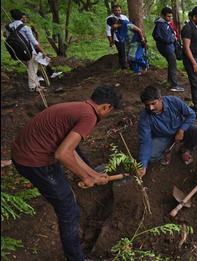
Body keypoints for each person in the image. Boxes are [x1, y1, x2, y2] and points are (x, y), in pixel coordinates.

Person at [11, 85, 122, 260]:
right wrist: (85, 176)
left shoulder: (79, 107)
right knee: (68, 209)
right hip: (34, 161)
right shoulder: (89, 116)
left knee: (68, 200)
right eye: (110, 111)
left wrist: (92, 174)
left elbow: (71, 150)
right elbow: (62, 154)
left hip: (28, 154)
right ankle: (76, 258)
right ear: (106, 107)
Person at [136, 86, 197, 178]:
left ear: (160, 99)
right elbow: (145, 141)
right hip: (163, 136)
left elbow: (191, 114)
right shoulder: (144, 118)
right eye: (147, 105)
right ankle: (167, 150)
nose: (150, 108)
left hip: (180, 129)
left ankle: (185, 149)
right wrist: (143, 165)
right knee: (150, 156)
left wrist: (182, 129)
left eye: (153, 103)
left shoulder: (173, 101)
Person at [5, 9, 45, 91]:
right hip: (29, 51)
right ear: (21, 17)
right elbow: (34, 42)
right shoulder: (25, 28)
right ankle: (33, 87)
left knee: (31, 68)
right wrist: (42, 51)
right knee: (32, 68)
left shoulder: (8, 27)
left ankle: (37, 85)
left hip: (17, 51)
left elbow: (7, 37)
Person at [153, 7, 184, 92]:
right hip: (167, 48)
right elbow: (166, 38)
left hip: (168, 48)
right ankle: (174, 85)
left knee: (171, 64)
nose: (170, 18)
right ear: (162, 15)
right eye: (168, 16)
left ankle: (170, 81)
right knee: (173, 65)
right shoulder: (161, 25)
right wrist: (173, 38)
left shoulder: (165, 23)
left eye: (171, 16)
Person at [105, 4, 130, 69]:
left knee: (127, 50)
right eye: (116, 10)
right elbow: (108, 30)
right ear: (113, 11)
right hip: (117, 37)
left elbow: (129, 25)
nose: (118, 12)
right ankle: (123, 67)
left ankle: (129, 63)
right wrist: (110, 41)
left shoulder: (124, 17)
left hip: (126, 36)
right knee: (121, 51)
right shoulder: (109, 19)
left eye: (119, 10)